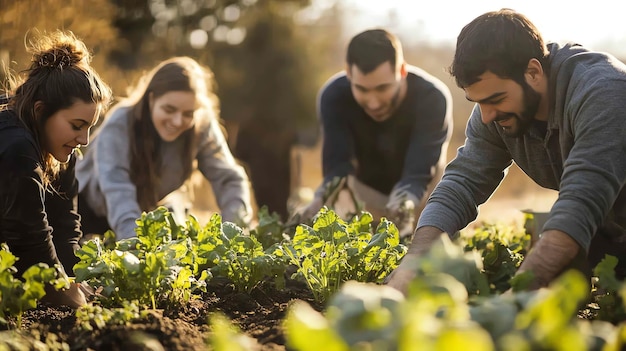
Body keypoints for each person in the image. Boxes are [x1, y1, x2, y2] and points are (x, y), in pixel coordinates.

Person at [386, 8, 626, 294]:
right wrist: (416, 259)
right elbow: (462, 183)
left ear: (533, 71)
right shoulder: (495, 113)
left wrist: (516, 298)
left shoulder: (604, 93)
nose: (486, 116)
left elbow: (583, 198)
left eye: (496, 99)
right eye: (478, 102)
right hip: (608, 224)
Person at [76, 56, 253, 240]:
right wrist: (135, 246)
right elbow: (117, 189)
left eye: (188, 114)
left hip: (145, 211)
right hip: (89, 210)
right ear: (151, 99)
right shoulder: (120, 124)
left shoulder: (201, 126)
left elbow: (229, 179)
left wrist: (234, 233)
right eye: (169, 110)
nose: (177, 121)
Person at [296, 28, 452, 236]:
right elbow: (338, 168)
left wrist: (404, 206)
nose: (373, 102)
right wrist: (320, 201)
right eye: (362, 89)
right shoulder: (333, 96)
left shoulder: (433, 98)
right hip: (366, 193)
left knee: (426, 251)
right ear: (349, 73)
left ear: (402, 71)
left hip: (422, 190)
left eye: (382, 88)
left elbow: (419, 172)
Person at [0, 30, 112, 307]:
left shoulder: (61, 150)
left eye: (89, 127)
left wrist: (75, 278)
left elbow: (65, 224)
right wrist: (65, 293)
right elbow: (28, 239)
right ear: (40, 111)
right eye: (77, 126)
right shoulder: (16, 147)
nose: (84, 139)